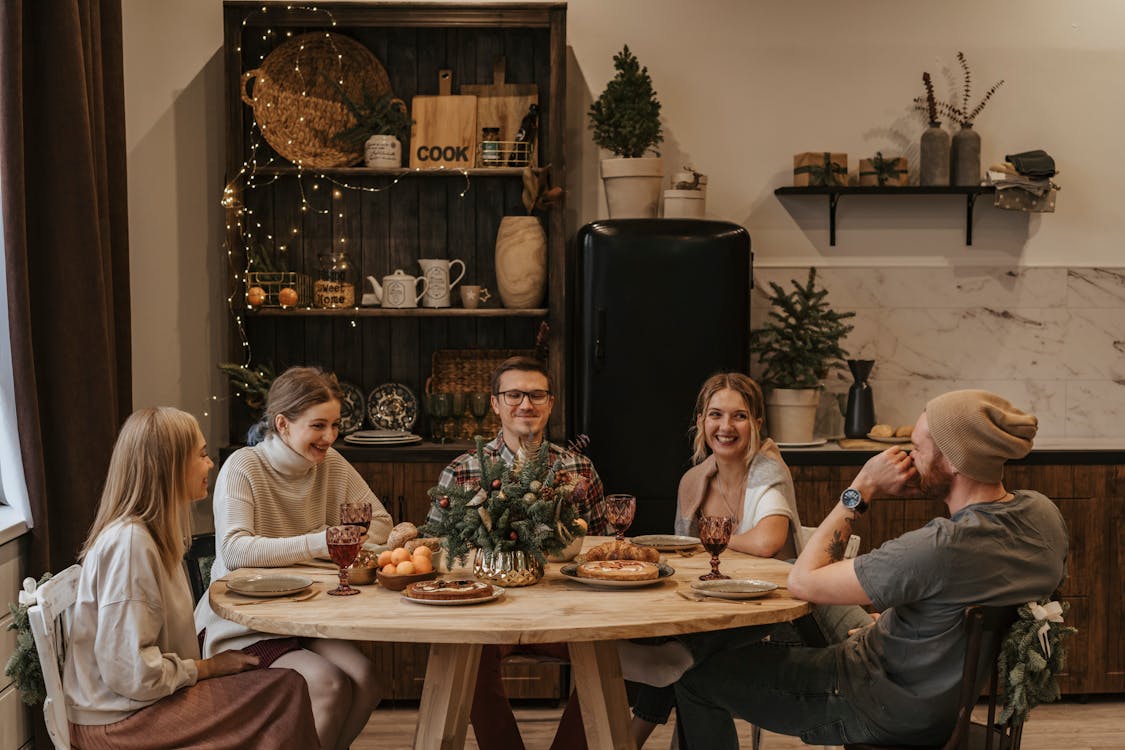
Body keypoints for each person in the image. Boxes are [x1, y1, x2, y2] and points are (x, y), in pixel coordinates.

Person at [675, 389, 1070, 747]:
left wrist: (861, 490)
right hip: (929, 689)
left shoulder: (938, 548)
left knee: (696, 679)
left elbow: (803, 580)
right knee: (794, 604)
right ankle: (689, 653)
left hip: (873, 700)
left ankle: (683, 658)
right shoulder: (1041, 515)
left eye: (916, 448)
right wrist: (900, 623)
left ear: (953, 460)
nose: (909, 458)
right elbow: (967, 591)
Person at [66, 407, 320, 748]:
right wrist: (206, 669)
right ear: (169, 468)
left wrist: (203, 669)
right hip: (119, 724)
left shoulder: (150, 537)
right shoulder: (130, 545)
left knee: (284, 687)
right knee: (284, 691)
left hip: (135, 707)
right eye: (200, 455)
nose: (210, 464)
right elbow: (130, 672)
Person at [195, 366, 392, 750]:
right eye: (318, 426)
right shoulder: (243, 467)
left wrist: (343, 537)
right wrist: (324, 542)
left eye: (335, 425)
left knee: (367, 679)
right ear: (283, 424)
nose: (330, 437)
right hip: (242, 625)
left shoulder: (330, 464)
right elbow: (235, 552)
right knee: (330, 684)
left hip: (303, 617)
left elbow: (381, 522)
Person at [430, 355, 606, 750]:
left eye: (536, 394)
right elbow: (437, 551)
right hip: (486, 612)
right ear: (495, 403)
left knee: (615, 657)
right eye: (514, 394)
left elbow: (599, 552)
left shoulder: (578, 469)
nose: (525, 404)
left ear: (551, 402)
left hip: (565, 614)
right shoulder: (462, 471)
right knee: (465, 659)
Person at [624, 372, 804, 747]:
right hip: (710, 616)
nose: (726, 426)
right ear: (701, 422)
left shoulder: (768, 470)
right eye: (715, 415)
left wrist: (713, 542)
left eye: (738, 416)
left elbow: (770, 540)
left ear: (755, 424)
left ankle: (628, 739)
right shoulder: (694, 480)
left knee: (683, 659)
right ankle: (628, 736)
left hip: (773, 620)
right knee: (681, 655)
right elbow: (684, 564)